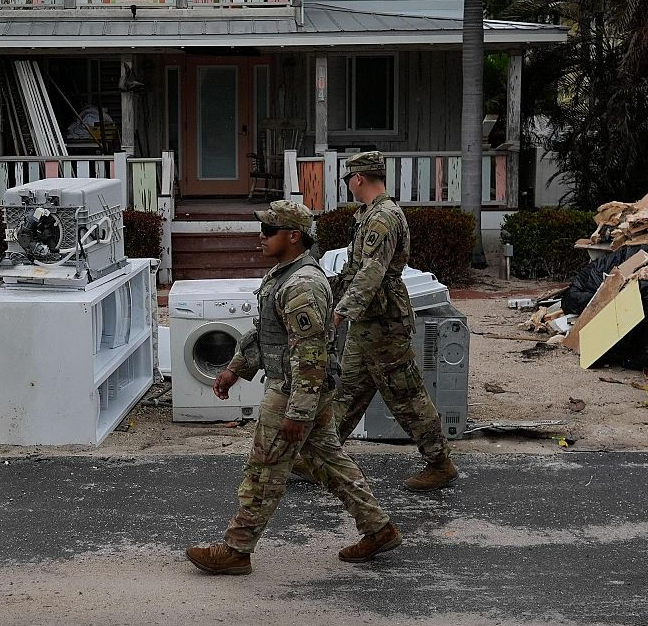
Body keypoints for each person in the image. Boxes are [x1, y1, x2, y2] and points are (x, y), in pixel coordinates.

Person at [185, 200, 401, 575]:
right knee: (329, 462)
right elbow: (269, 334)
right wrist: (236, 368)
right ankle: (378, 527)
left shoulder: (302, 285)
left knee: (264, 469)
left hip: (293, 390)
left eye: (269, 231)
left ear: (293, 236)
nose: (261, 238)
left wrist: (297, 413)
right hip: (302, 388)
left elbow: (311, 354)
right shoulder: (284, 275)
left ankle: (237, 549)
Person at [330, 151, 458, 492]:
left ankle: (439, 462)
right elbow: (355, 269)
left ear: (358, 179)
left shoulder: (383, 218)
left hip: (383, 322)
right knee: (349, 390)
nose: (348, 186)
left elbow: (371, 273)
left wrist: (342, 309)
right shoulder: (369, 214)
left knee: (406, 394)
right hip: (368, 322)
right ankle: (322, 455)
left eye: (348, 180)